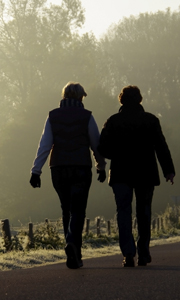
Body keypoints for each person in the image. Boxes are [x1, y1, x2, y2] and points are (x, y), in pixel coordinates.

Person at [29, 82, 106, 269]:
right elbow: (96, 144)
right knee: (78, 209)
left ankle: (73, 251)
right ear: (81, 97)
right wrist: (101, 166)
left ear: (64, 96)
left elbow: (45, 145)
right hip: (81, 166)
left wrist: (36, 171)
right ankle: (73, 245)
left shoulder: (52, 116)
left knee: (66, 209)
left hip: (58, 167)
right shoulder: (87, 116)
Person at [97, 85, 175, 267]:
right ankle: (143, 251)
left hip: (121, 173)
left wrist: (116, 153)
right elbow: (161, 147)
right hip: (145, 173)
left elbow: (102, 147)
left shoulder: (113, 121)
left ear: (121, 100)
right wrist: (168, 170)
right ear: (140, 100)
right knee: (144, 212)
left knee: (123, 212)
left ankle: (128, 253)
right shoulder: (151, 120)